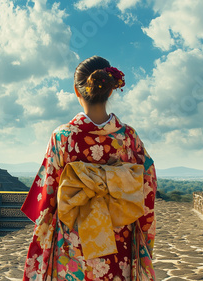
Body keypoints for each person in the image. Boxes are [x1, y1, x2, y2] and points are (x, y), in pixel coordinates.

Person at [21, 56, 157, 281]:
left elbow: (49, 194)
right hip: (119, 237)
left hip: (74, 238)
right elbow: (147, 185)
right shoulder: (128, 137)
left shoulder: (63, 137)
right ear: (111, 90)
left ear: (77, 90)